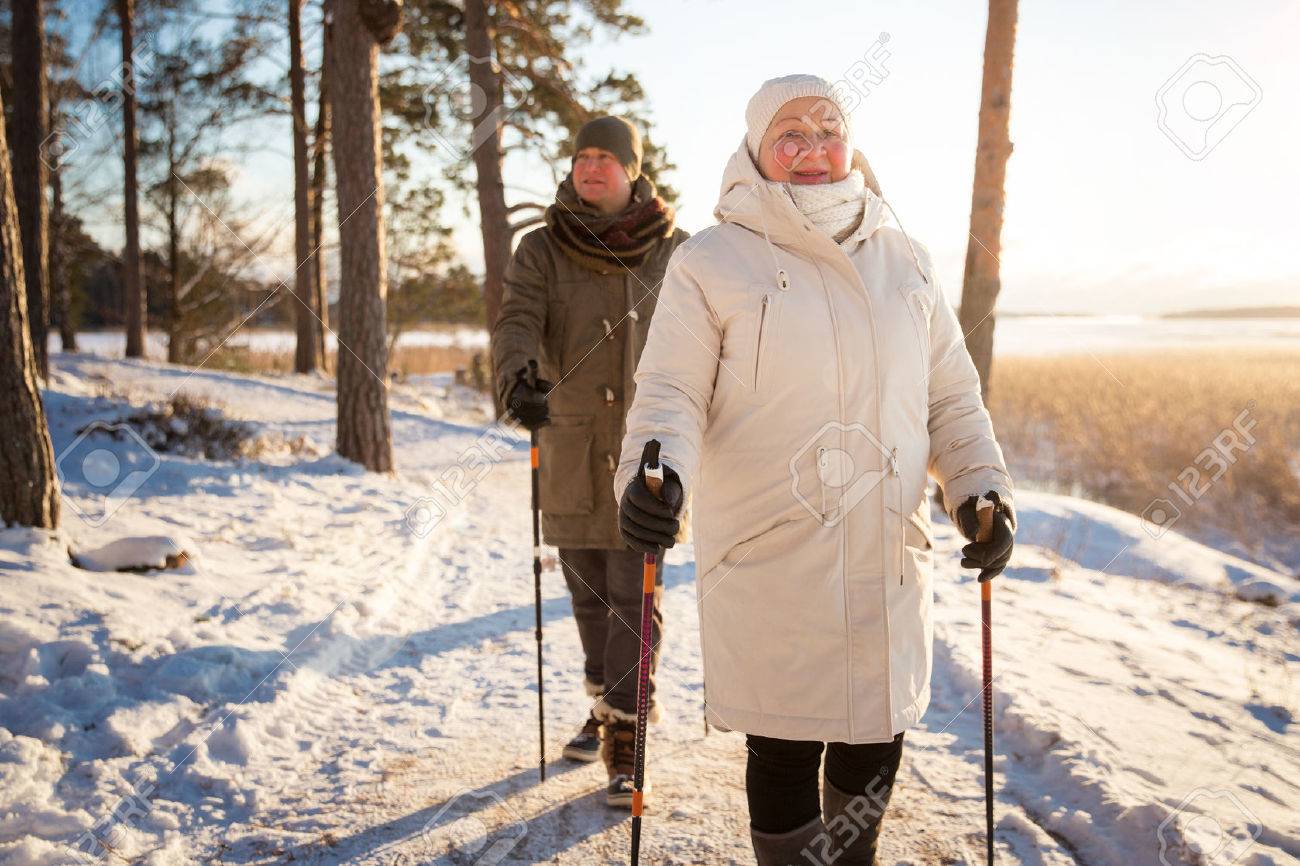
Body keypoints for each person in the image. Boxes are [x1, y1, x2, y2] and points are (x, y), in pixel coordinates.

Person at [614, 75, 1015, 864]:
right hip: (771, 550)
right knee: (786, 743)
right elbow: (671, 393)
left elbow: (952, 399)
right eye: (789, 134)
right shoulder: (713, 260)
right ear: (757, 151)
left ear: (852, 146)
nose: (811, 148)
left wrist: (980, 490)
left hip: (886, 551)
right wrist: (653, 475)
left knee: (875, 739)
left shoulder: (907, 261)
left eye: (828, 130)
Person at [493, 115, 690, 808]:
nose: (591, 167)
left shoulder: (679, 252)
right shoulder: (542, 248)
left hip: (652, 448)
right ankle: (605, 704)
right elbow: (519, 317)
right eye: (581, 156)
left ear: (634, 169)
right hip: (571, 439)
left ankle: (626, 737)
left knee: (634, 593)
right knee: (586, 592)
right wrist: (518, 375)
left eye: (607, 157)